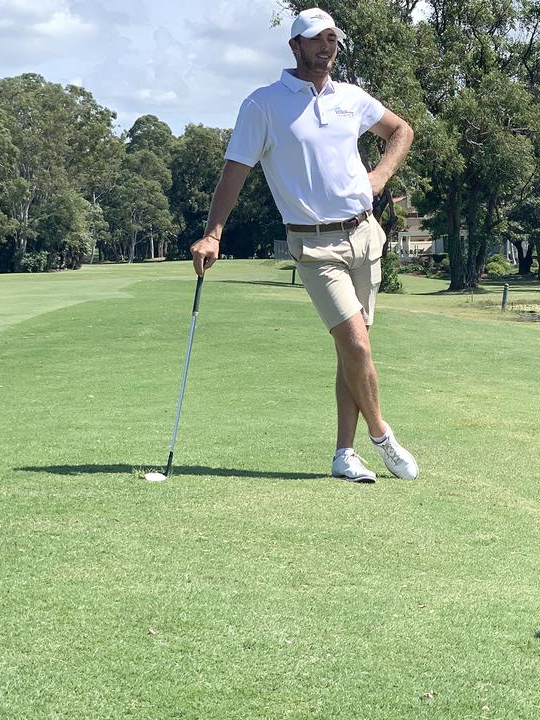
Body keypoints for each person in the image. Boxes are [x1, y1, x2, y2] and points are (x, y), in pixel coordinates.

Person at [190, 7, 418, 484]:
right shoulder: (263, 105)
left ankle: (343, 454)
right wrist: (214, 233)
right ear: (295, 46)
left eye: (332, 40)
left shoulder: (350, 98)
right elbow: (235, 171)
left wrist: (378, 178)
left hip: (365, 235)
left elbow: (402, 131)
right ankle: (381, 436)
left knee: (351, 350)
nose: (326, 48)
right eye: (316, 40)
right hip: (314, 246)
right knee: (355, 342)